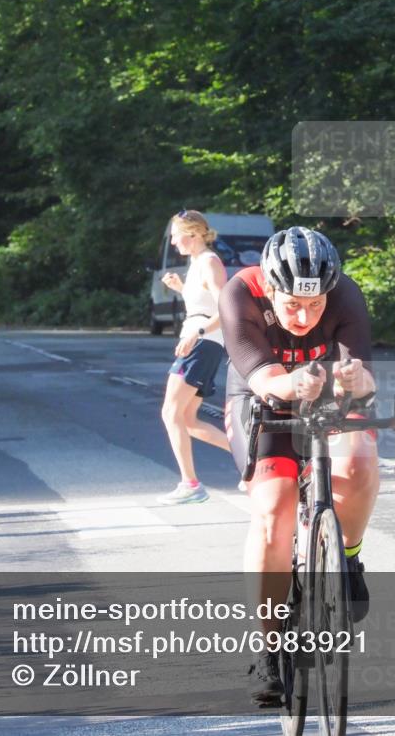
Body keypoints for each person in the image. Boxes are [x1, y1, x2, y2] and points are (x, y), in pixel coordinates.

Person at [219, 226, 378, 706]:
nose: (305, 316)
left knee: (359, 466)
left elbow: (364, 377)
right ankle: (270, 647)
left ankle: (347, 559)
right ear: (270, 287)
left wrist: (355, 377)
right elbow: (266, 377)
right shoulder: (239, 293)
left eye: (316, 306)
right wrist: (295, 382)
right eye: (292, 306)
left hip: (328, 391)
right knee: (274, 511)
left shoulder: (345, 293)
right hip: (262, 394)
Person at [157, 209, 230, 505]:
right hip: (201, 342)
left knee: (170, 412)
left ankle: (191, 484)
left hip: (202, 344)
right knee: (187, 419)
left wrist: (196, 333)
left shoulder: (210, 262)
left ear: (192, 234)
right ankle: (253, 459)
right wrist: (181, 288)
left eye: (176, 236)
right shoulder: (198, 263)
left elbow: (226, 309)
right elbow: (203, 302)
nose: (174, 243)